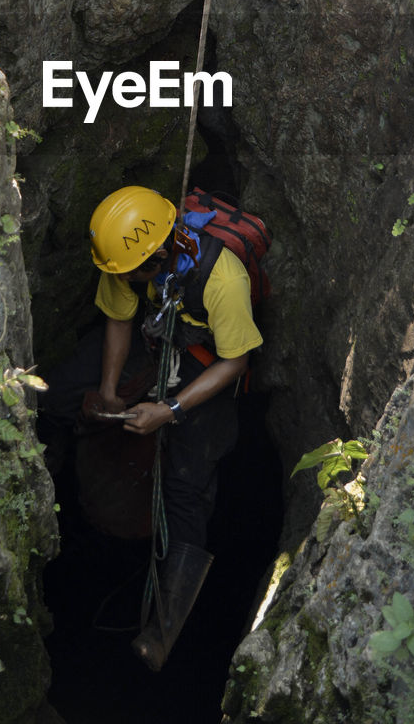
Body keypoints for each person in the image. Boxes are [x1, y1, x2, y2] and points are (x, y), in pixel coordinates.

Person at [40, 185, 263, 671]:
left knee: (186, 484)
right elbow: (120, 318)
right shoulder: (127, 260)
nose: (120, 277)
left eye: (129, 271)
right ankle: (51, 463)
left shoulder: (222, 277)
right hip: (155, 334)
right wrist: (110, 391)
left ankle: (164, 627)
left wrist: (170, 411)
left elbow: (235, 362)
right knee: (55, 394)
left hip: (205, 359)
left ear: (159, 254)